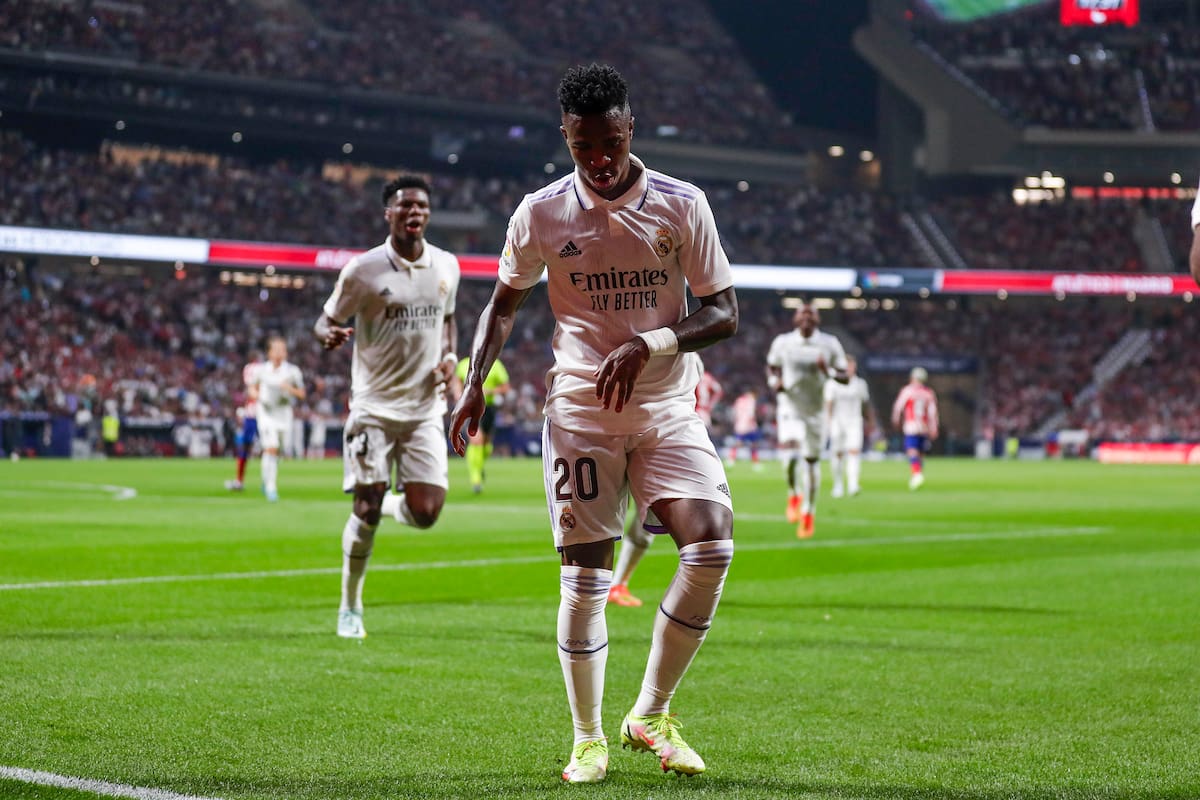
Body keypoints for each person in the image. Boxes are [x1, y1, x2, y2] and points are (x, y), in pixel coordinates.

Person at [449, 64, 737, 784]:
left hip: (668, 407)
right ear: (566, 138)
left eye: (610, 141)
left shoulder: (681, 204)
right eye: (584, 147)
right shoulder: (541, 212)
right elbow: (504, 302)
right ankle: (587, 739)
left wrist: (652, 343)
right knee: (584, 580)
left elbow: (724, 312)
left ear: (629, 127)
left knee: (711, 548)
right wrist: (472, 381)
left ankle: (650, 712)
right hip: (580, 414)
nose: (600, 159)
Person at [314, 174, 460, 640]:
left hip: (423, 411)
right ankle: (350, 607)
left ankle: (390, 498)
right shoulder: (363, 270)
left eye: (421, 206)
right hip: (373, 407)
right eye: (405, 207)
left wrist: (451, 358)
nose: (414, 213)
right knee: (365, 508)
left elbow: (450, 320)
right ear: (389, 214)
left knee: (427, 513)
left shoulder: (447, 267)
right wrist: (328, 336)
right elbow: (326, 319)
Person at [608, 355, 710, 609]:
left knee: (645, 523)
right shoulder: (635, 348)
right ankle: (603, 586)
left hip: (655, 446)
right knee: (607, 517)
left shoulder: (691, 360)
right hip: (624, 439)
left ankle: (617, 585)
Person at [766, 303, 847, 539]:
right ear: (795, 318)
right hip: (789, 405)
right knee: (791, 457)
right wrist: (774, 383)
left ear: (818, 320)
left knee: (811, 462)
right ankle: (793, 493)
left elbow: (844, 376)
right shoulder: (783, 342)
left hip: (816, 412)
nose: (807, 317)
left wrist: (828, 371)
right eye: (803, 313)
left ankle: (809, 513)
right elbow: (772, 367)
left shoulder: (830, 344)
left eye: (812, 314)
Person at [252, 337, 305, 502]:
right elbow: (252, 388)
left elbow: (302, 394)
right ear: (269, 352)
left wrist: (288, 388)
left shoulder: (292, 371)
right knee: (271, 447)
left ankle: (265, 478)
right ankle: (271, 487)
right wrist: (257, 397)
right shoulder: (261, 370)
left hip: (284, 413)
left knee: (279, 449)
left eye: (282, 349)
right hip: (266, 413)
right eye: (276, 349)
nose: (279, 353)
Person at [453, 356, 511, 493]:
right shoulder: (464, 364)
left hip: (489, 408)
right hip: (471, 407)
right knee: (476, 440)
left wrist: (490, 391)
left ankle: (479, 466)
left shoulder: (495, 364)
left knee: (486, 446)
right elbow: (457, 381)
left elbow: (505, 387)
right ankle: (476, 479)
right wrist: (458, 395)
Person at [823, 355, 875, 498]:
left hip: (854, 422)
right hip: (837, 422)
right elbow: (828, 404)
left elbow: (866, 404)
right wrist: (828, 422)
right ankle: (838, 484)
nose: (849, 369)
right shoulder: (832, 384)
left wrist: (871, 421)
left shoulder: (860, 384)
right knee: (837, 454)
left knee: (854, 452)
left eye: (851, 366)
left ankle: (853, 484)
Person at [892, 366, 939, 490]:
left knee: (912, 451)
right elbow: (932, 413)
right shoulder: (928, 393)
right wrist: (934, 427)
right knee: (921, 452)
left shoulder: (908, 391)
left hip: (911, 425)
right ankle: (917, 475)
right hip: (924, 426)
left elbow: (898, 407)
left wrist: (896, 419)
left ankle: (916, 474)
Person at [225, 352, 262, 490]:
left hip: (253, 413)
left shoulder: (249, 369)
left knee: (246, 447)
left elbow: (250, 390)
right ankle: (267, 483)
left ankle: (239, 481)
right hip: (266, 413)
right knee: (269, 449)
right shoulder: (267, 368)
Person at [726, 388, 760, 466]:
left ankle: (731, 459)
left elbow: (735, 414)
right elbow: (751, 414)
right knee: (753, 444)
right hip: (749, 425)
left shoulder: (738, 400)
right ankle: (755, 462)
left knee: (738, 443)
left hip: (740, 425)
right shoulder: (751, 400)